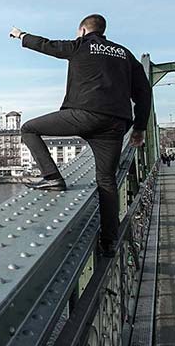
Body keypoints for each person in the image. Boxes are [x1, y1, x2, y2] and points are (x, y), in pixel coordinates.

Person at [9, 14, 152, 257]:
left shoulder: (80, 46)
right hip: (116, 123)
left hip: (84, 115)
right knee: (106, 181)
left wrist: (21, 35)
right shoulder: (124, 54)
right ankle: (109, 242)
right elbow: (144, 91)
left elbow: (46, 45)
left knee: (29, 129)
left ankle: (52, 177)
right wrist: (139, 127)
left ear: (83, 30)